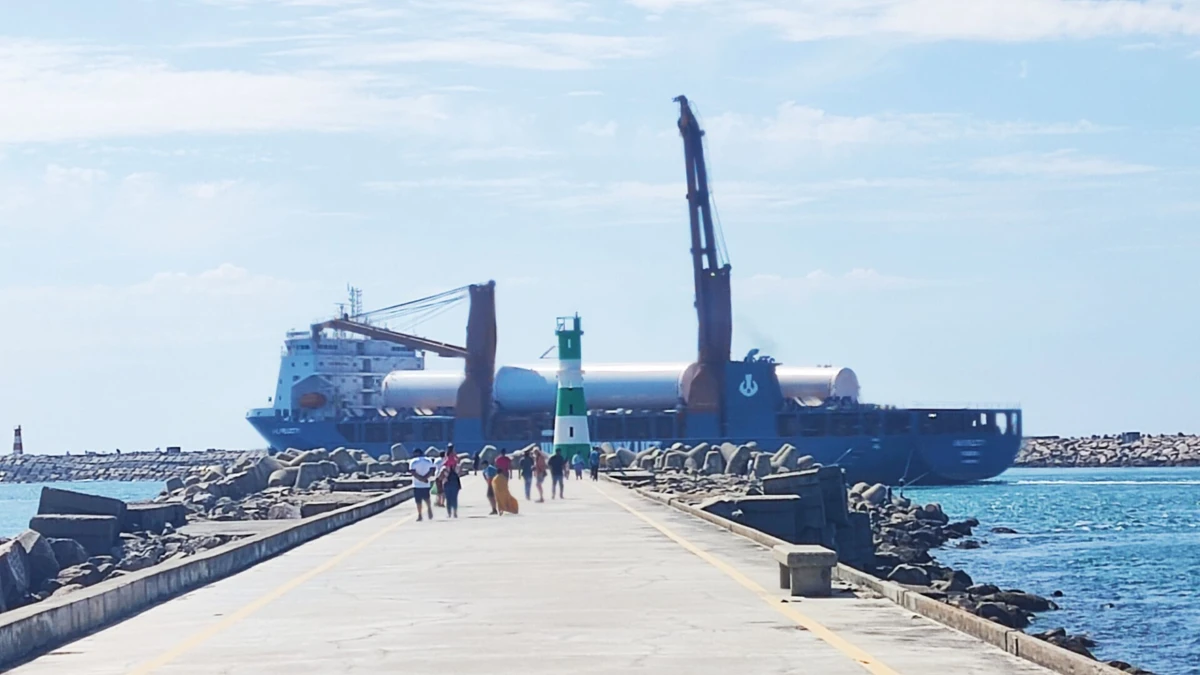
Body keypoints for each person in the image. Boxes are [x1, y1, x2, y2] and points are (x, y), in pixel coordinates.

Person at [409, 449, 435, 521]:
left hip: (417, 484)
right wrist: (425, 478)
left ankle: (420, 515)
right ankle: (429, 509)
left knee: (418, 501)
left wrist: (421, 479)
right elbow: (432, 470)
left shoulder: (413, 461)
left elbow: (413, 472)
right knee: (427, 498)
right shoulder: (428, 460)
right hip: (426, 483)